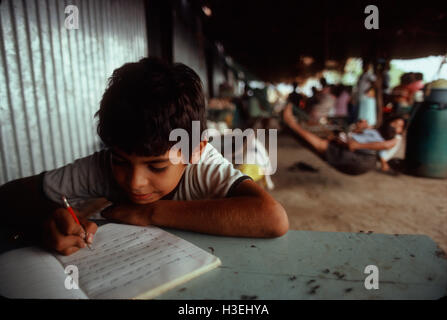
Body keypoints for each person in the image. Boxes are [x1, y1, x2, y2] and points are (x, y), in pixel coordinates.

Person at [0, 57, 289, 256]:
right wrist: (47, 220)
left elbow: (272, 218)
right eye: (122, 161)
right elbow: (8, 197)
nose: (135, 182)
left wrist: (149, 213)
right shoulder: (103, 165)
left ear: (194, 150)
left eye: (157, 166)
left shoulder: (203, 165)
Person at [283, 103, 405, 175]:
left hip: (362, 159)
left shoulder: (396, 138)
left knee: (321, 145)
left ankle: (291, 123)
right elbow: (358, 135)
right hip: (355, 151)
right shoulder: (377, 131)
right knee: (318, 147)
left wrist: (358, 146)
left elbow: (385, 146)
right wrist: (360, 129)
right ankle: (292, 130)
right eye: (395, 123)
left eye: (399, 126)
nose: (395, 127)